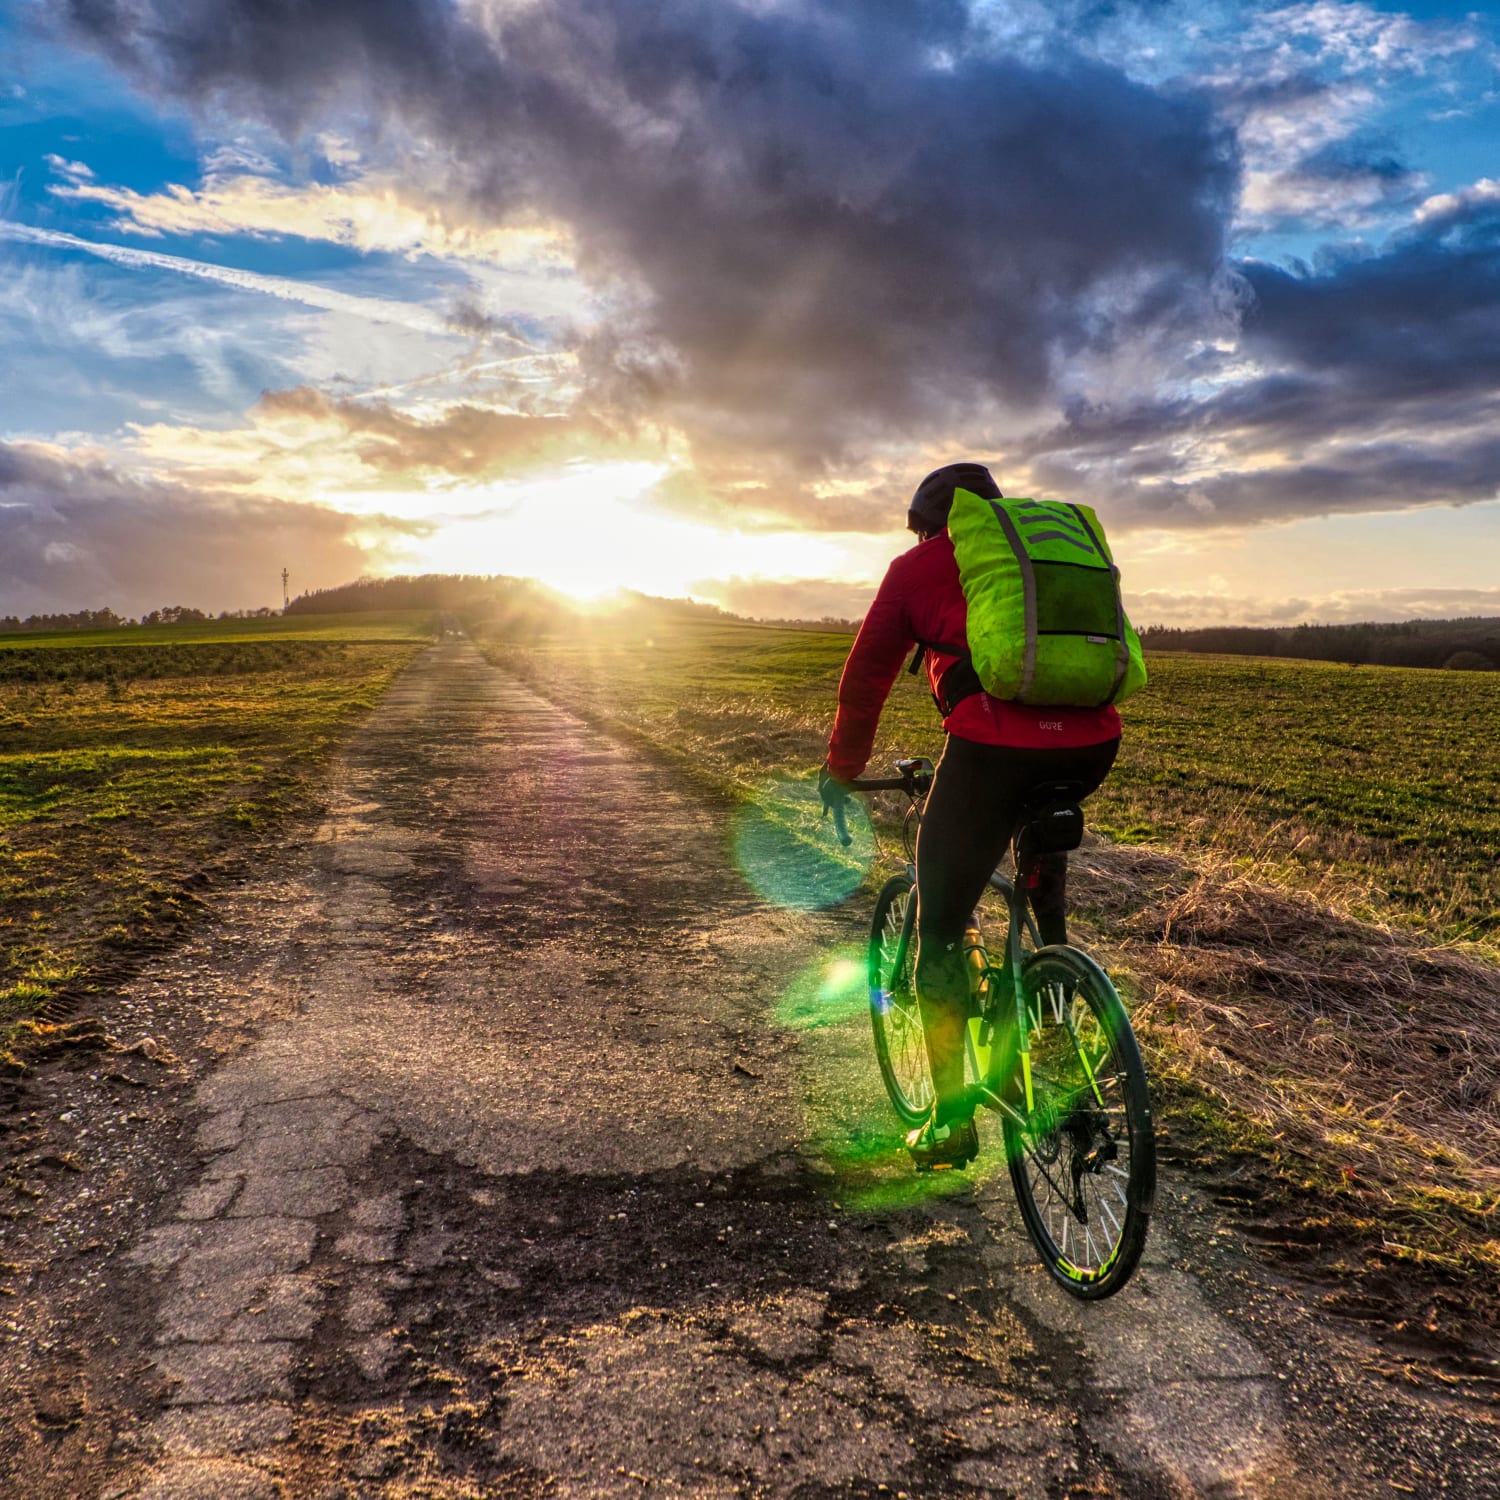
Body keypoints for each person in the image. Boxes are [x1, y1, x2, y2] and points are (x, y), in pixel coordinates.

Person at [820, 462, 1122, 1169]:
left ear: (926, 524)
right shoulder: (1036, 555)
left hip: (991, 751)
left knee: (941, 931)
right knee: (1039, 885)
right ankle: (1054, 1006)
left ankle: (952, 1124)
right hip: (1091, 743)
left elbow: (865, 678)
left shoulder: (919, 565)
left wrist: (839, 771)